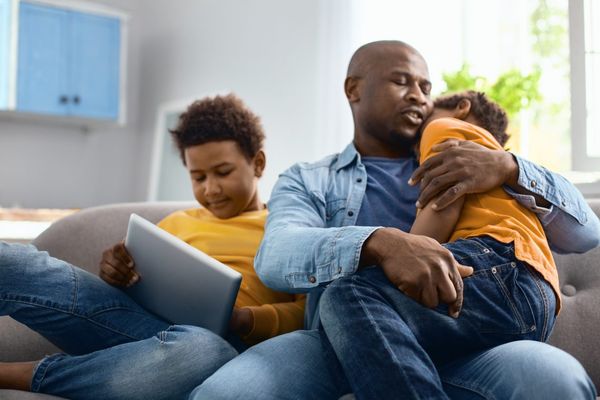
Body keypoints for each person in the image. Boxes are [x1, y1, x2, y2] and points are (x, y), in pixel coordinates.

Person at [192, 41, 600, 399]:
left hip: (462, 333)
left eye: (426, 87)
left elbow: (587, 234)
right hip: (338, 339)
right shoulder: (309, 178)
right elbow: (276, 255)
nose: (418, 97)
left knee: (556, 379)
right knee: (224, 393)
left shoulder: (461, 156)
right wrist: (379, 243)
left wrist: (509, 167)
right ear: (354, 89)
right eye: (401, 82)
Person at [0, 93, 305, 399]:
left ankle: (15, 374)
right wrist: (117, 271)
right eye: (198, 177)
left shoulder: (284, 227)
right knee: (13, 262)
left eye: (223, 173)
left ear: (258, 163)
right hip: (135, 326)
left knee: (202, 350)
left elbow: (306, 314)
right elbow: (132, 293)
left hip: (217, 346)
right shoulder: (177, 222)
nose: (211, 189)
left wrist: (246, 318)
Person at [317, 90, 570, 399]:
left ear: (461, 108)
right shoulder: (496, 166)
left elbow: (443, 205)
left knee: (351, 293)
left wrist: (404, 254)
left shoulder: (444, 128)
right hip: (536, 304)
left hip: (504, 265)